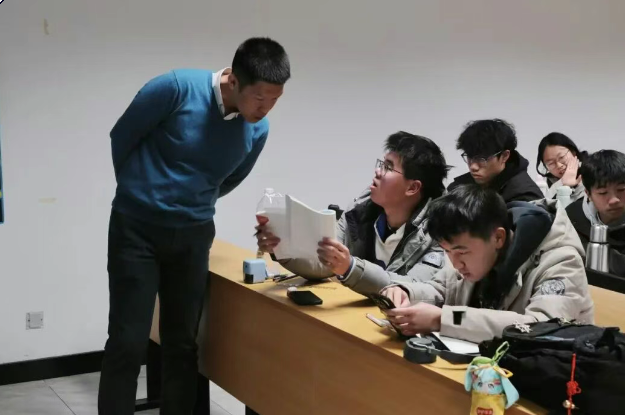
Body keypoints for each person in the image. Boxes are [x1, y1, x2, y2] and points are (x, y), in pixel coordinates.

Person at [99, 38, 290, 415]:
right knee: (127, 340)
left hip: (193, 235)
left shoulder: (258, 129)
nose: (265, 108)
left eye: (275, 100)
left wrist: (193, 202)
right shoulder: (175, 88)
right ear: (233, 80)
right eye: (259, 98)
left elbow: (231, 178)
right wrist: (141, 191)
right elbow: (122, 136)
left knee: (182, 343)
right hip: (136, 229)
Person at [381, 184, 594, 344]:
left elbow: (541, 328)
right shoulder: (471, 246)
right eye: (447, 251)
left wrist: (443, 319)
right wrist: (405, 292)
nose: (455, 263)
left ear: (498, 238)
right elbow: (441, 288)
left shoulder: (561, 260)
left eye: (461, 252)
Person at [256, 132, 451, 296]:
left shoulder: (441, 233)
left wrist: (350, 268)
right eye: (381, 164)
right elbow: (323, 263)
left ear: (412, 188)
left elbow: (412, 287)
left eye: (388, 167)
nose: (377, 171)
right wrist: (281, 248)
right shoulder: (359, 211)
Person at [447, 119, 544, 203]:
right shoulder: (457, 189)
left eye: (482, 159)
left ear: (505, 156)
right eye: (469, 156)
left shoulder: (525, 197)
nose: (473, 166)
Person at [566, 150, 625, 277]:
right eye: (603, 193)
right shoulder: (571, 218)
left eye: (621, 190)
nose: (614, 200)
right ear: (588, 194)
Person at [536, 132, 586, 205]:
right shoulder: (551, 181)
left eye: (562, 157)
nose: (559, 165)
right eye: (551, 163)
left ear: (573, 152)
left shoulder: (591, 172)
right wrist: (562, 183)